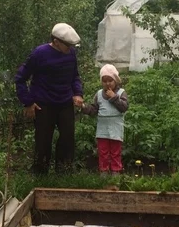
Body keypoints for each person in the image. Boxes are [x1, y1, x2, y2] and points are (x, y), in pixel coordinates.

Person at [15, 23, 84, 174]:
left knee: (67, 139)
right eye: (68, 45)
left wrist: (77, 93)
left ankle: (64, 173)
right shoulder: (39, 53)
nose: (70, 48)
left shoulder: (70, 54)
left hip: (65, 102)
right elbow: (20, 78)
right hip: (43, 104)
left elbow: (74, 76)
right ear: (56, 41)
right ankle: (40, 175)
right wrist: (28, 102)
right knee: (43, 142)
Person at [81, 64, 129, 175]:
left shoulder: (121, 93)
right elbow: (94, 110)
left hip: (115, 129)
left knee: (115, 152)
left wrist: (114, 97)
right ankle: (103, 174)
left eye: (110, 80)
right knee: (103, 152)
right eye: (104, 81)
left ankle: (115, 175)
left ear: (115, 80)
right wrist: (83, 107)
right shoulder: (99, 94)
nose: (107, 83)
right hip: (102, 130)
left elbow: (124, 107)